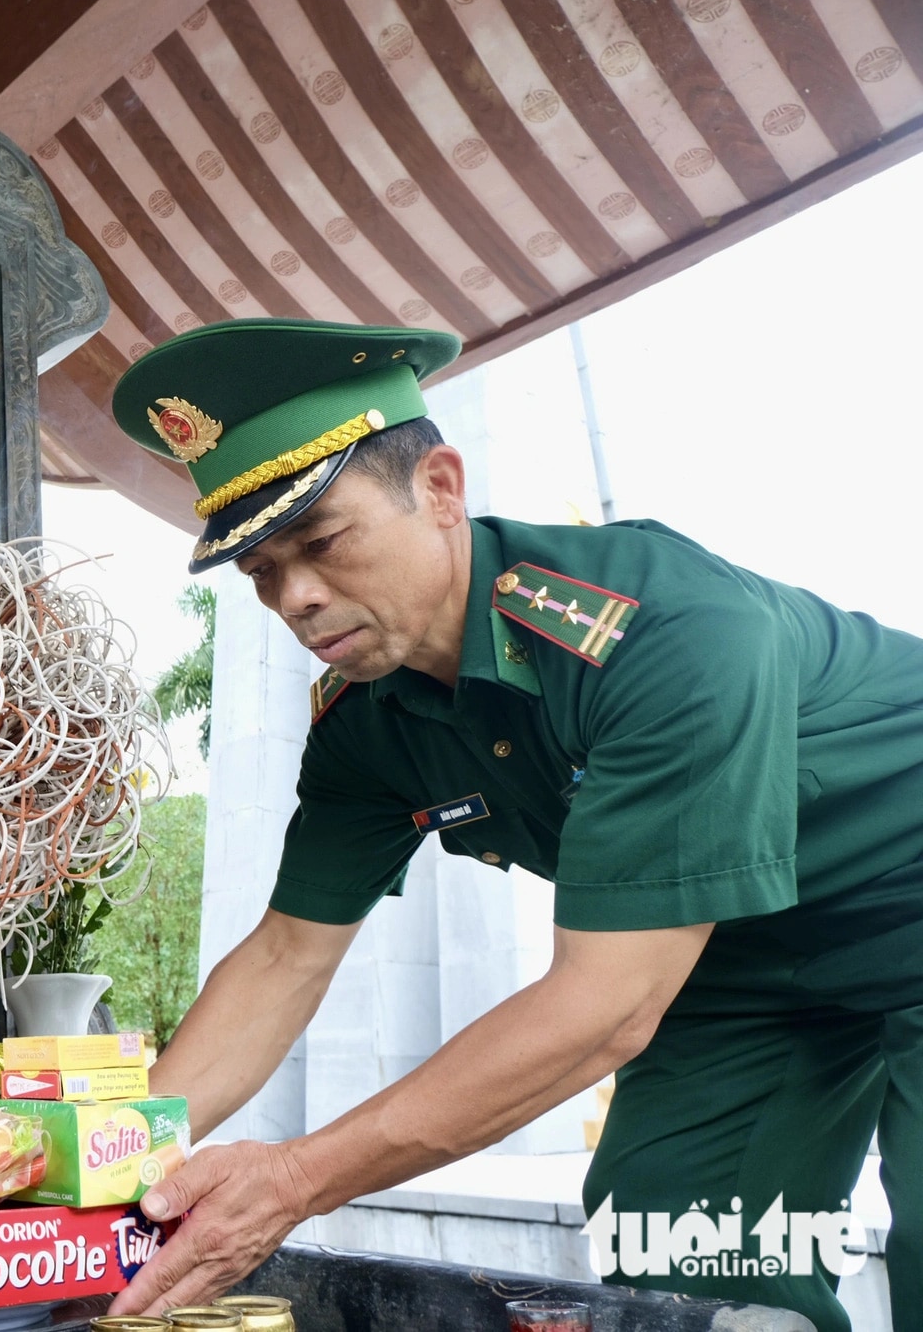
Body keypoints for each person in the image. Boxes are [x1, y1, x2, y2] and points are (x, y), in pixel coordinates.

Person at [103, 318, 923, 1331]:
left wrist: (296, 1176)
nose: (295, 597)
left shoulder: (660, 635)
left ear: (440, 490)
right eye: (261, 571)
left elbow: (604, 1004)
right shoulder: (364, 723)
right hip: (734, 966)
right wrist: (98, 1157)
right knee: (677, 1264)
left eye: (319, 543)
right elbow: (283, 957)